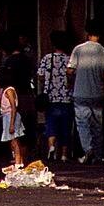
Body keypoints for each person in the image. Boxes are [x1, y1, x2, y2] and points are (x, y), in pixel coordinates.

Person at [67, 20, 104, 164]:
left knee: (82, 123)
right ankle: (98, 155)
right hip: (97, 93)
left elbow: (70, 70)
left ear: (87, 33)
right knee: (97, 125)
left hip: (80, 92)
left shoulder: (78, 49)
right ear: (100, 34)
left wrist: (73, 74)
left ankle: (88, 149)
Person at [36, 31, 73, 163]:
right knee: (65, 126)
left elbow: (40, 76)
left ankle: (51, 147)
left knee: (51, 124)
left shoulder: (47, 58)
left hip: (50, 97)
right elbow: (72, 76)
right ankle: (63, 154)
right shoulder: (70, 59)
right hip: (66, 97)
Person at [0, 68, 26, 170]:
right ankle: (18, 160)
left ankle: (18, 162)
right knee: (13, 140)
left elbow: (13, 107)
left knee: (14, 141)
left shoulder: (9, 90)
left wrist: (11, 124)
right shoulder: (8, 89)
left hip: (10, 116)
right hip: (8, 116)